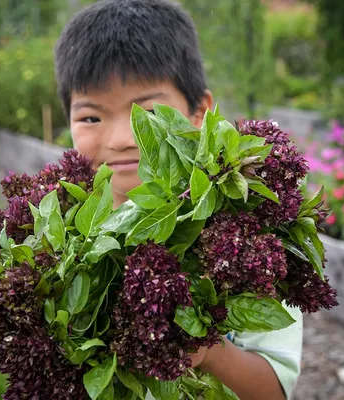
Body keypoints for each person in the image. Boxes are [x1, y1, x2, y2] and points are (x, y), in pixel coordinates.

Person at [54, 0, 303, 399]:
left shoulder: (248, 233)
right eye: (91, 117)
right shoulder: (64, 228)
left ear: (199, 111)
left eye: (149, 112)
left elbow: (273, 389)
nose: (121, 139)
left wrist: (207, 350)